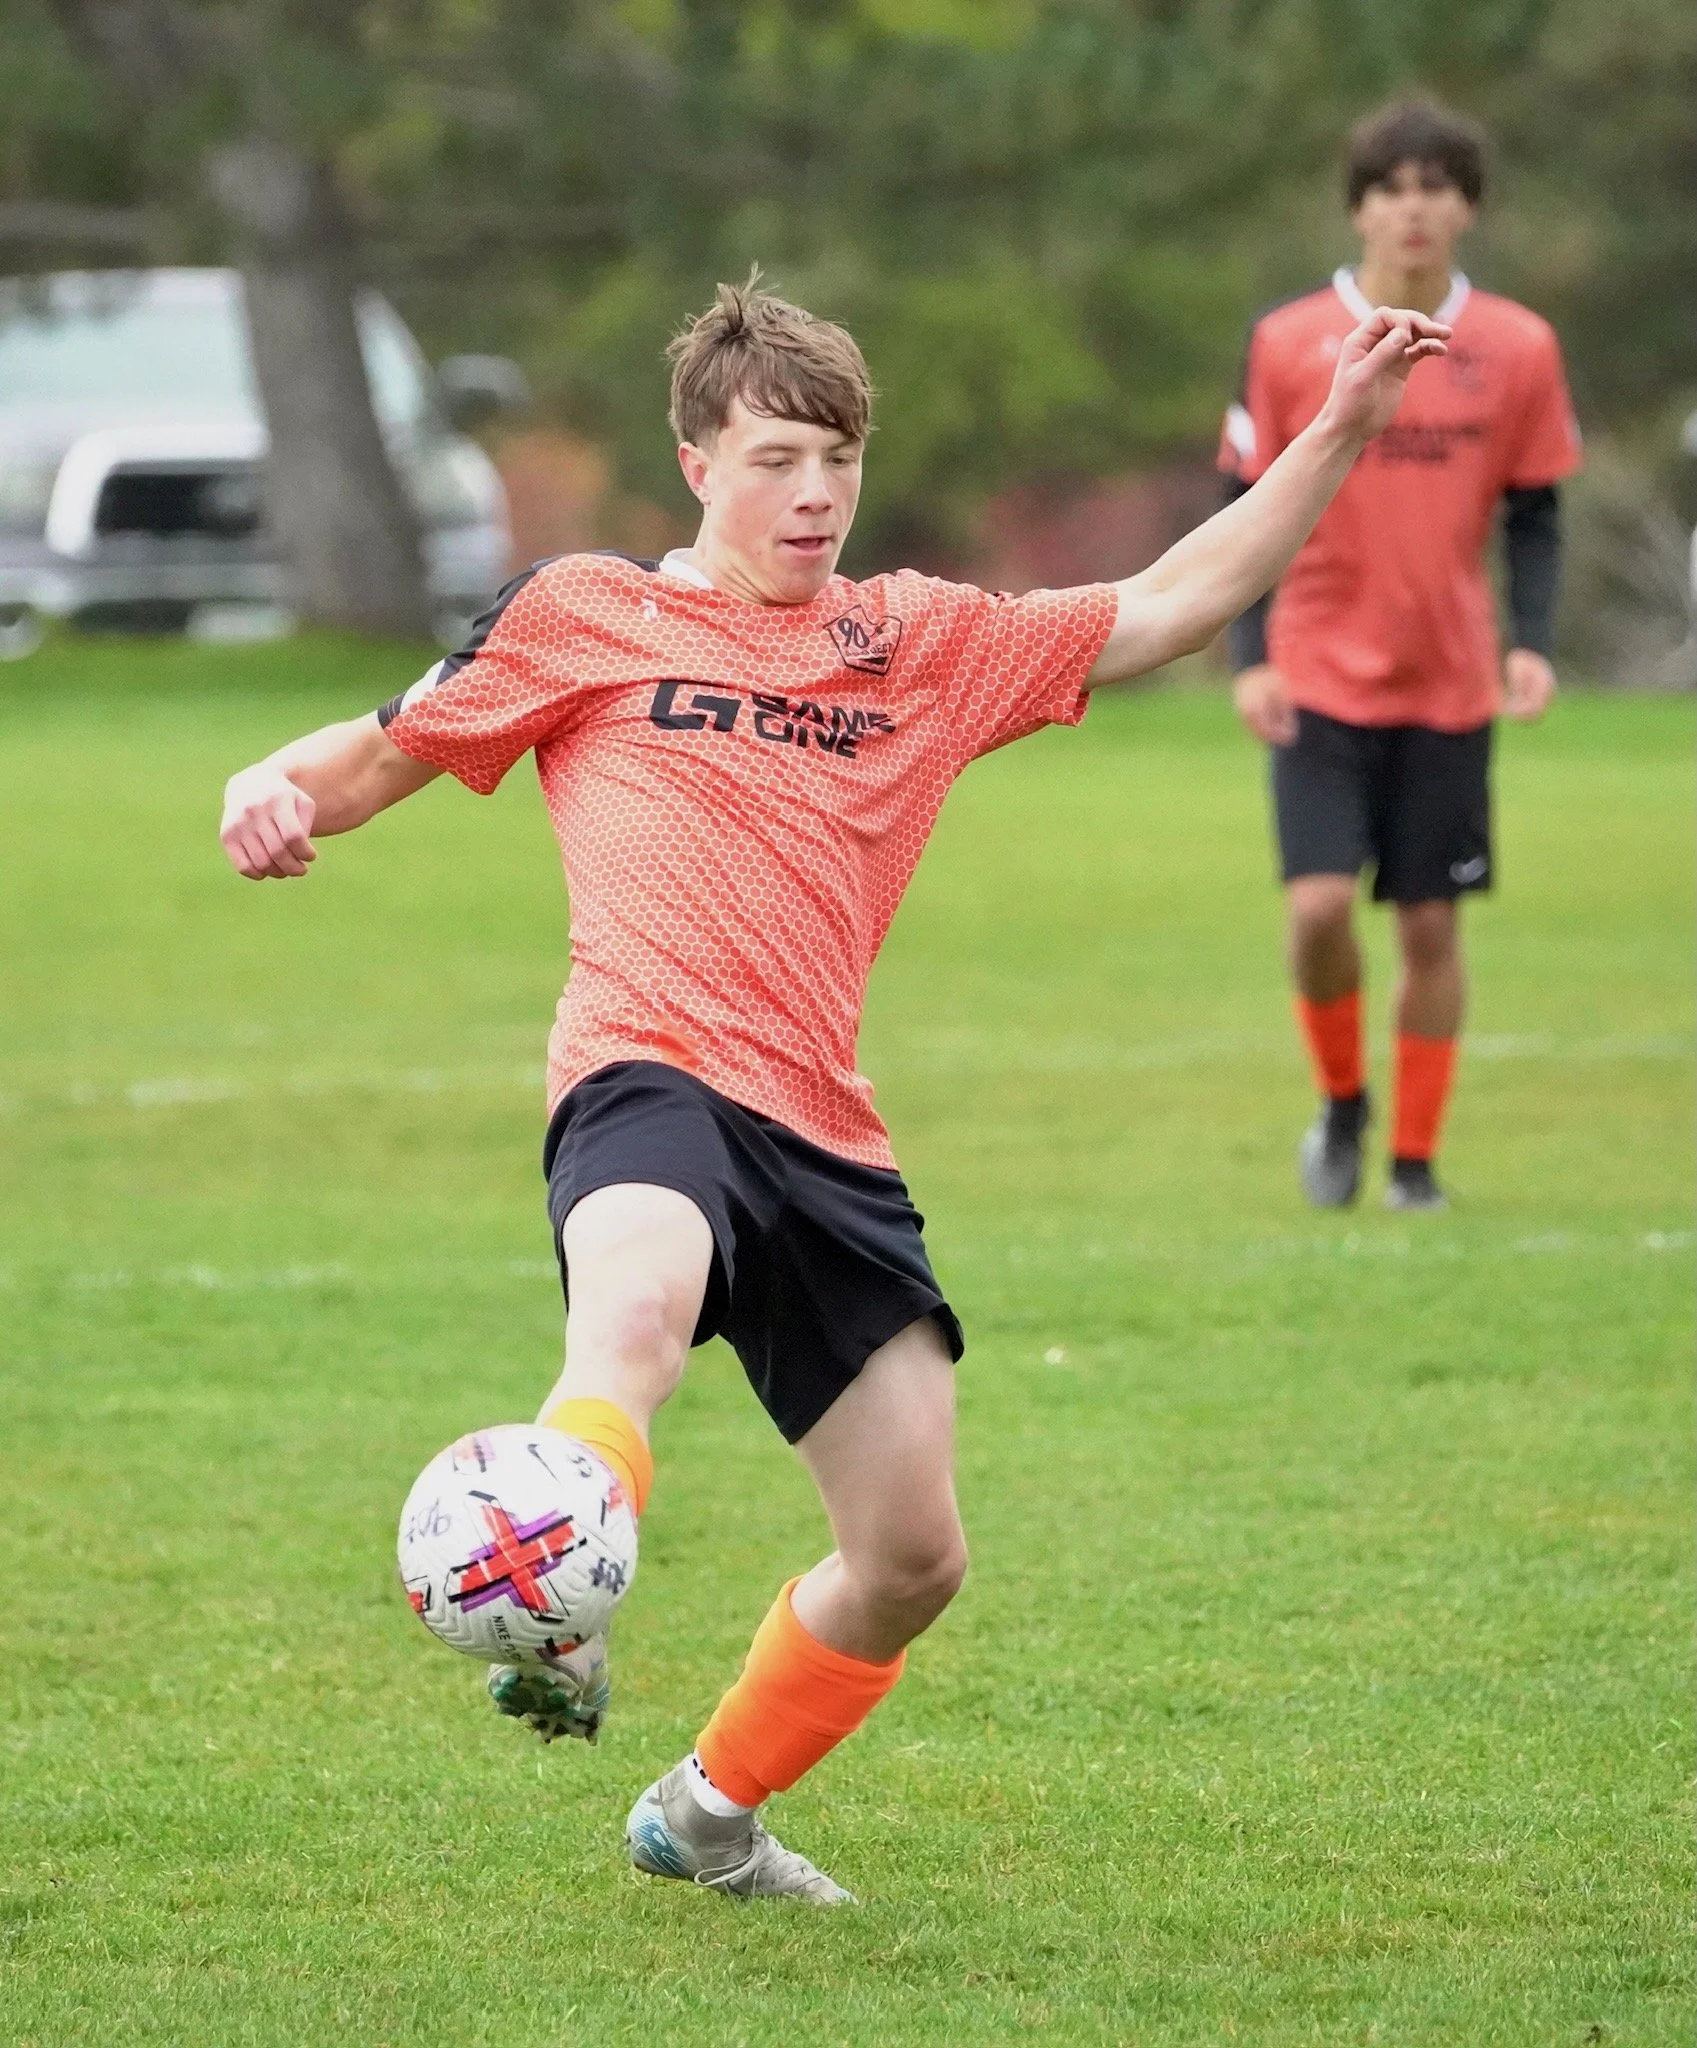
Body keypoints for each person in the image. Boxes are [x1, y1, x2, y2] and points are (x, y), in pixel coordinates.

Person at [220, 272, 1446, 1902]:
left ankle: (706, 1809)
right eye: (779, 457)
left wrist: (1339, 428)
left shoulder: (919, 640)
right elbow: (378, 751)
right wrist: (268, 782)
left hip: (827, 1137)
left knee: (912, 1555)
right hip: (643, 1075)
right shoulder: (583, 612)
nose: (812, 495)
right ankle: (555, 1597)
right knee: (630, 1323)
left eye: (838, 462)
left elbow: (1165, 602)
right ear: (696, 457)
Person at [1221, 98, 1581, 1213]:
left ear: (1465, 206)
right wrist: (1248, 652)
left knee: (1429, 921)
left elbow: (1532, 511)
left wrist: (1528, 644)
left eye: (1435, 185)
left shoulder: (1515, 345)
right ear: (1358, 207)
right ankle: (1341, 1104)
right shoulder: (1289, 341)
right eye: (1389, 186)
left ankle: (1414, 1164)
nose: (1411, 207)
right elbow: (1240, 501)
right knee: (1318, 907)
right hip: (1320, 667)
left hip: (1448, 677)